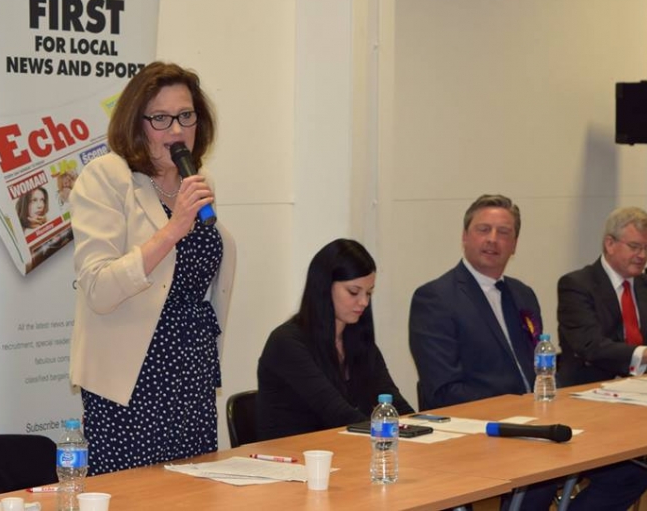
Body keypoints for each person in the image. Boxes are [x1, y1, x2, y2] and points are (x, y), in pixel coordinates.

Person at [409, 194, 647, 511]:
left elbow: (538, 366)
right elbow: (443, 390)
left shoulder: (522, 294)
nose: (493, 239)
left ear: (515, 244)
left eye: (504, 232)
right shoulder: (435, 298)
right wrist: (518, 409)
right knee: (540, 477)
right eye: (484, 229)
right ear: (465, 236)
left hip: (538, 422)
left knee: (630, 472)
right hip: (482, 426)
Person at [69, 61, 235, 475]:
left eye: (185, 116)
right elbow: (98, 289)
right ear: (136, 123)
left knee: (194, 494)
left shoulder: (196, 180)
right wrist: (174, 227)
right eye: (160, 118)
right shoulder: (107, 178)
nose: (176, 130)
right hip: (133, 379)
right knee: (137, 496)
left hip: (192, 372)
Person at [257, 239, 413, 441]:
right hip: (297, 454)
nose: (364, 302)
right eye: (354, 292)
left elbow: (393, 402)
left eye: (369, 293)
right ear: (324, 286)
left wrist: (420, 428)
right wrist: (390, 433)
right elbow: (336, 413)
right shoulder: (287, 343)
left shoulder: (358, 341)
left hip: (342, 450)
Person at [558, 206, 647, 386]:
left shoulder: (644, 284)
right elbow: (590, 345)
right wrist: (642, 354)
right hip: (589, 390)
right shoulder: (576, 285)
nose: (642, 255)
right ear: (610, 244)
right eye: (634, 247)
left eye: (646, 248)